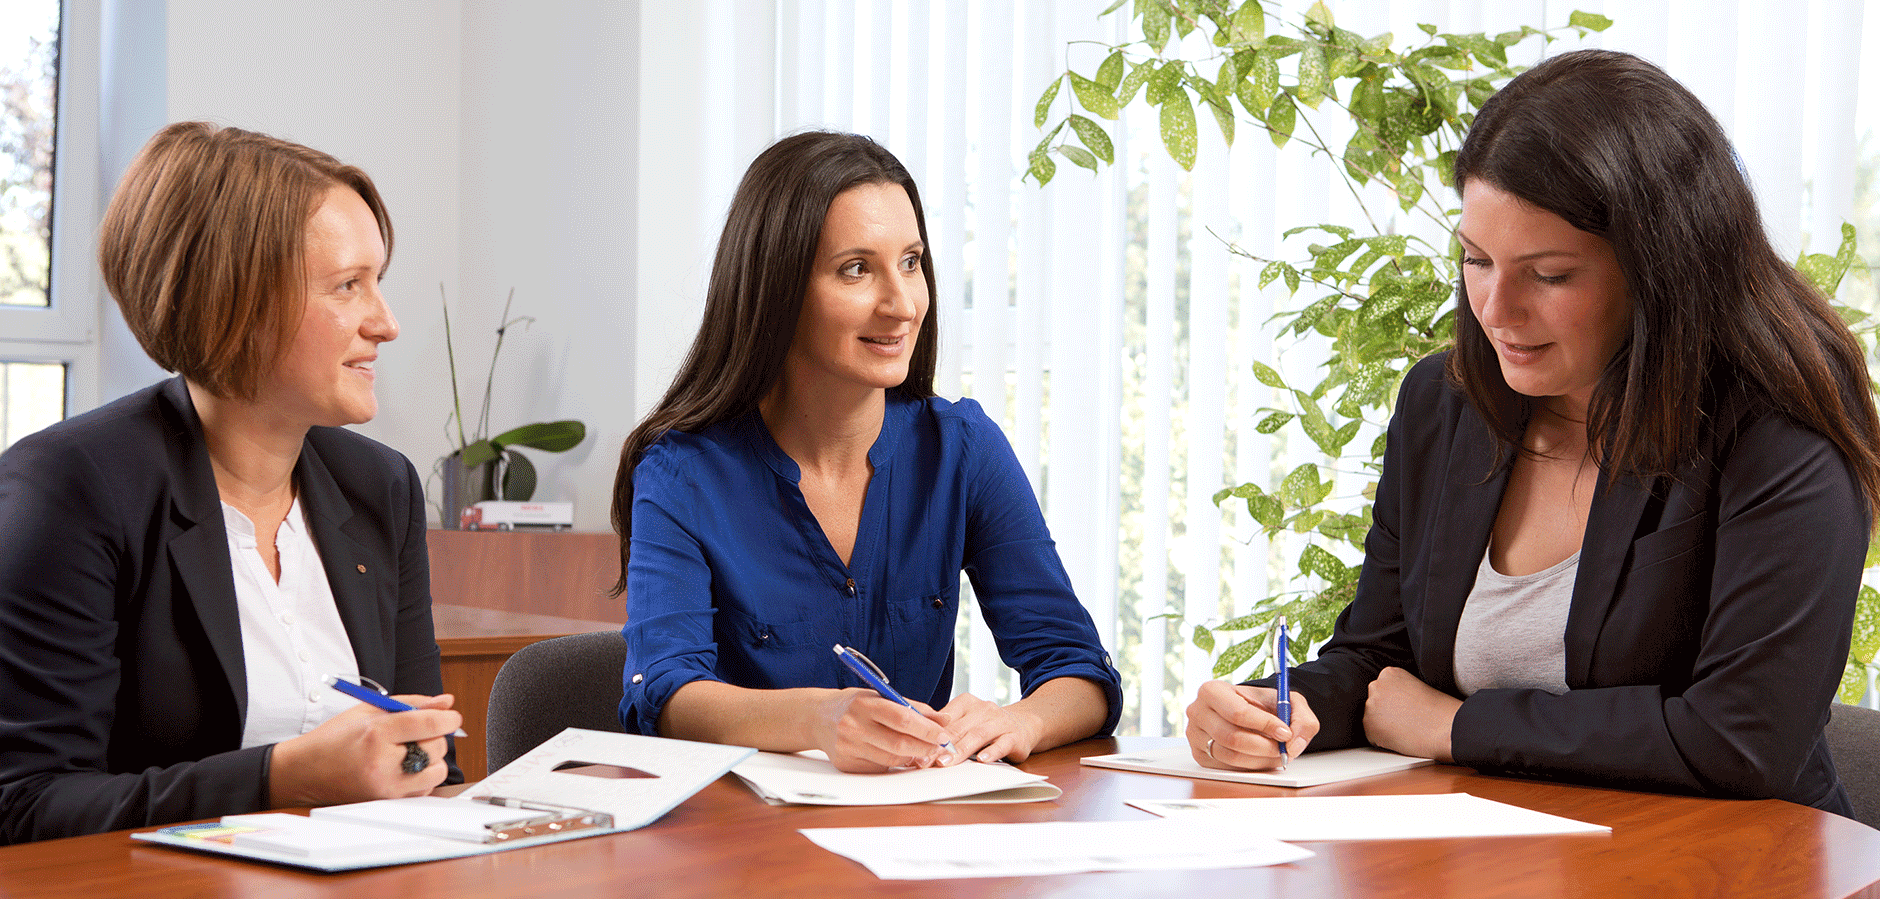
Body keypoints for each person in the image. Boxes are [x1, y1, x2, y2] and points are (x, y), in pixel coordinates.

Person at [1184, 49, 1880, 817]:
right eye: (1476, 260)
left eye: (1548, 275)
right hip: (1506, 857)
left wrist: (1457, 726)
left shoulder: (1781, 438)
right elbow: (1382, 661)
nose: (1496, 309)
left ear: (1662, 268)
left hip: (1734, 867)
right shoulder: (1441, 405)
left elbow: (1743, 740)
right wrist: (1279, 709)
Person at [0, 122, 464, 843]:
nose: (386, 322)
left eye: (379, 283)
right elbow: (26, 803)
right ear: (237, 302)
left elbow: (428, 754)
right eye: (348, 286)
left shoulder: (382, 486)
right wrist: (281, 775)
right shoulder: (70, 488)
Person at [614, 131, 1121, 772]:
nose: (902, 303)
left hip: (910, 835)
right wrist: (821, 719)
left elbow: (1079, 672)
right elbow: (662, 693)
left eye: (911, 262)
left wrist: (1019, 720)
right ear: (776, 287)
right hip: (737, 844)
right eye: (857, 269)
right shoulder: (681, 473)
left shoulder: (961, 449)